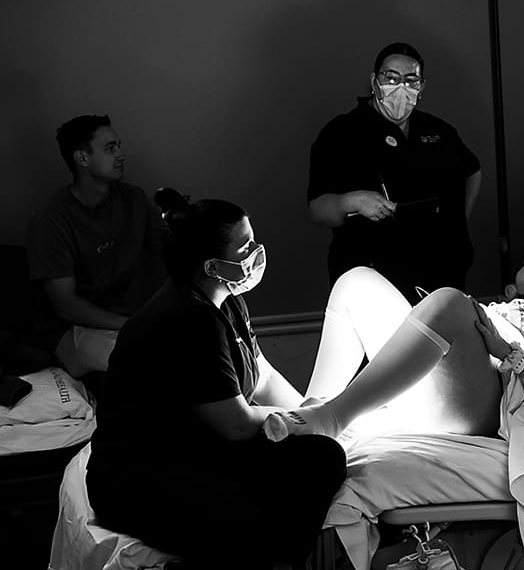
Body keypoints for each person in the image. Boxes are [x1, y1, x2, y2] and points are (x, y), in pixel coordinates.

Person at [86, 189, 347, 570]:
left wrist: (309, 410)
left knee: (320, 452)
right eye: (245, 248)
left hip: (195, 448)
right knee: (319, 463)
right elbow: (237, 423)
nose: (256, 253)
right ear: (211, 266)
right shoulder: (186, 318)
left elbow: (261, 375)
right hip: (140, 478)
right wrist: (311, 420)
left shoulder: (227, 299)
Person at [263, 205, 524, 442]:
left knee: (450, 301)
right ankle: (312, 410)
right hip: (458, 373)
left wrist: (507, 351)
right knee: (356, 281)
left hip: (487, 401)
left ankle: (333, 417)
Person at [308, 42, 482, 304]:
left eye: (411, 80)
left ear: (421, 87)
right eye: (391, 78)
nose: (401, 87)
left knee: (445, 330)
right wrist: (352, 201)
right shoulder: (343, 132)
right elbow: (317, 209)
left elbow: (472, 170)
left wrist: (457, 222)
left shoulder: (437, 130)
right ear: (374, 81)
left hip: (441, 271)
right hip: (373, 274)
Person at [26, 114, 165, 378]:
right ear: (83, 158)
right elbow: (65, 304)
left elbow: (168, 251)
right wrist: (131, 324)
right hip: (77, 328)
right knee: (147, 361)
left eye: (119, 146)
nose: (121, 155)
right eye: (110, 148)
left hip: (126, 315)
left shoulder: (133, 199)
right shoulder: (51, 220)